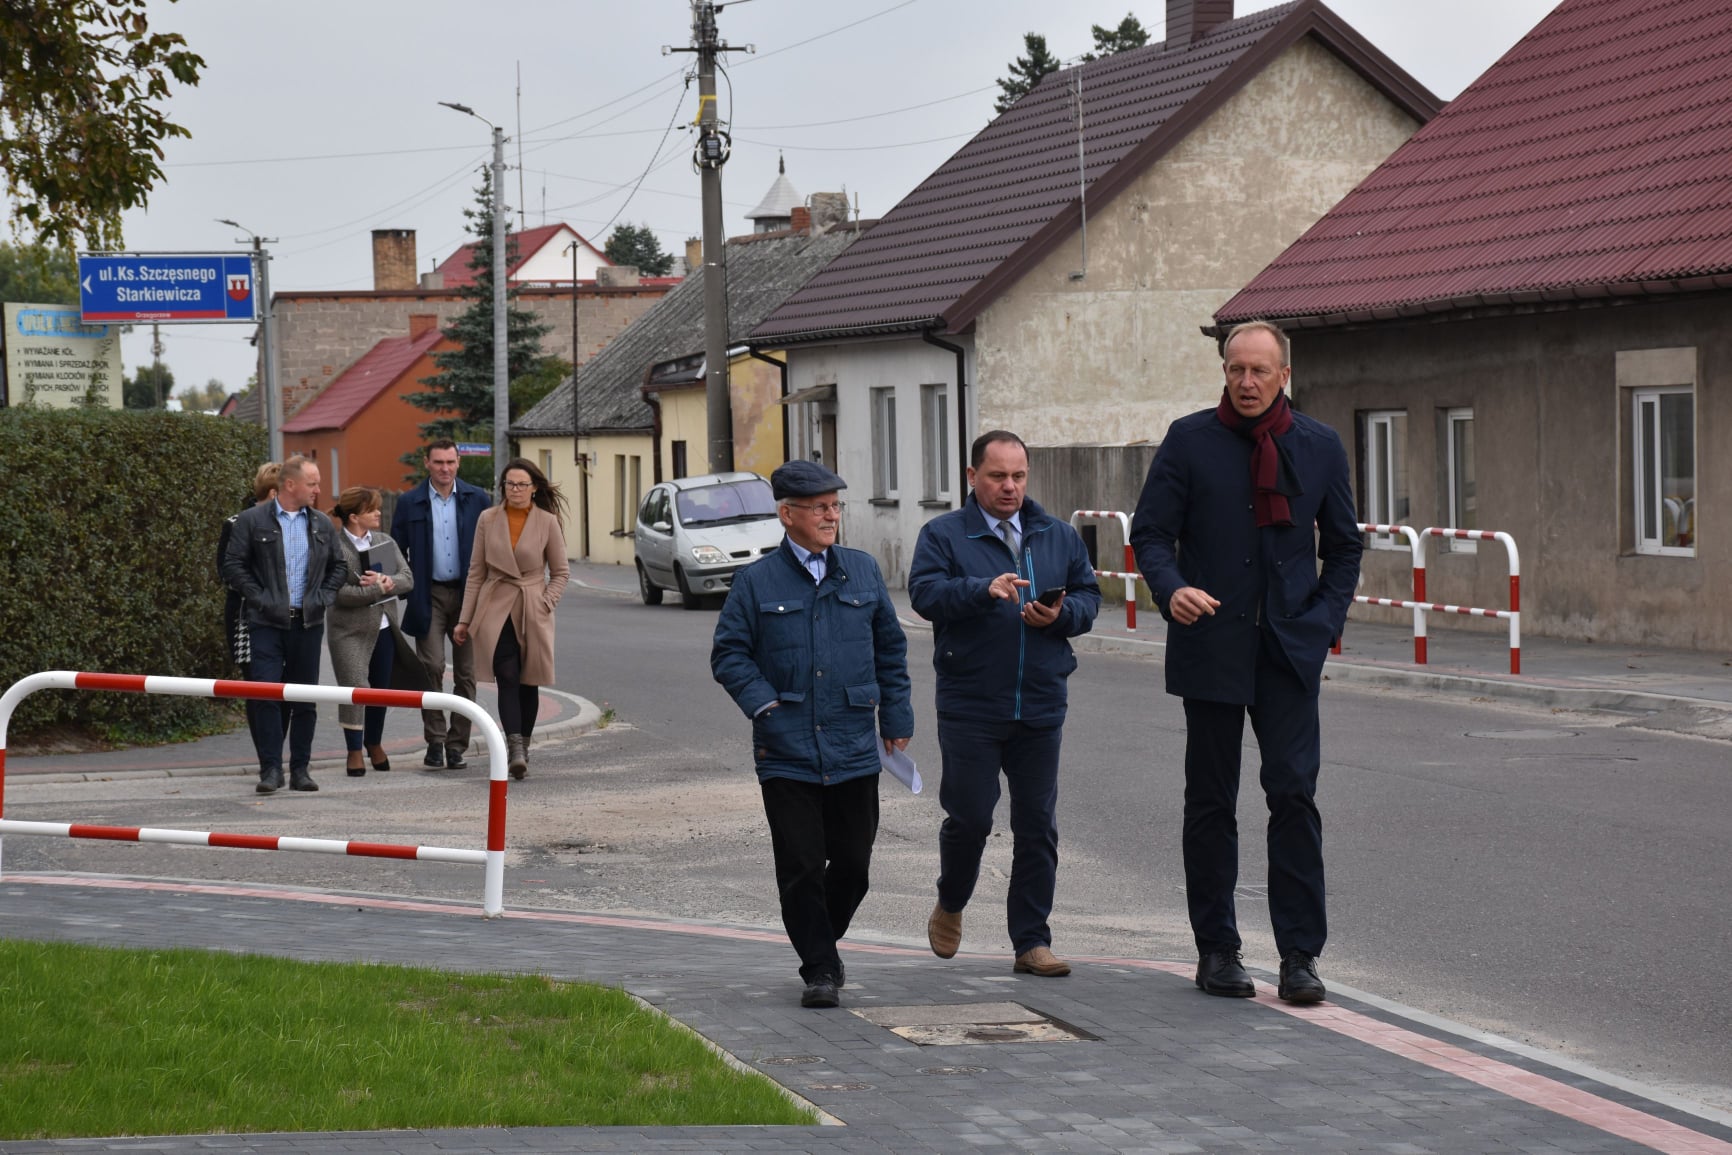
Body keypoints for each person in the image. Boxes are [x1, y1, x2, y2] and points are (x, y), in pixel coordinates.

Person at [1130, 319, 1362, 1005]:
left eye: (1261, 370)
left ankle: (1299, 956)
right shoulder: (1190, 440)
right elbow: (1150, 532)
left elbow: (1345, 546)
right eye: (1237, 370)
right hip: (1211, 644)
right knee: (1210, 801)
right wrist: (1171, 590)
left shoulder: (1318, 446)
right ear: (1224, 371)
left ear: (1284, 374)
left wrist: (1321, 623)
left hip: (1288, 651)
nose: (1248, 382)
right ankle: (1218, 949)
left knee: (1293, 793)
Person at [711, 461, 913, 1010]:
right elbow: (729, 655)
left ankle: (821, 938)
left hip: (852, 744)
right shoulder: (756, 582)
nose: (831, 515)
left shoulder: (863, 572)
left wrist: (896, 718)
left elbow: (891, 651)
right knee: (800, 866)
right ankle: (820, 967)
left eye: (835, 506)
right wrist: (764, 704)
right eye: (820, 507)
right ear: (787, 514)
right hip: (786, 748)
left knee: (853, 863)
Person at [908, 430, 1102, 978]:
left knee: (1037, 824)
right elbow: (923, 594)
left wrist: (1060, 617)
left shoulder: (1057, 534)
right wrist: (979, 589)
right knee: (970, 818)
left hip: (1041, 701)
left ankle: (1032, 941)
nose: (1010, 486)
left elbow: (1088, 597)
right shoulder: (944, 534)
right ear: (972, 478)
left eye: (1018, 476)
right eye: (997, 476)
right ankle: (951, 900)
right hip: (970, 702)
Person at [220, 454, 347, 794]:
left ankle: (301, 769)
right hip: (265, 622)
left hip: (307, 624)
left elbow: (339, 567)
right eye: (313, 483)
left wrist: (322, 598)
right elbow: (233, 565)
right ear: (290, 485)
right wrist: (259, 597)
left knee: (304, 699)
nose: (318, 490)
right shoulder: (252, 520)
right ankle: (270, 769)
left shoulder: (321, 523)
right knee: (265, 696)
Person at [452, 459, 570, 781]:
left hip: (533, 605)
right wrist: (465, 619)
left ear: (534, 489)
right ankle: (514, 748)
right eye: (509, 484)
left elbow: (560, 572)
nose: (515, 490)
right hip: (496, 603)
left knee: (528, 680)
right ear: (502, 486)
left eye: (521, 484)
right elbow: (476, 572)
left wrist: (546, 602)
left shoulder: (547, 522)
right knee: (506, 674)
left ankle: (525, 746)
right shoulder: (488, 519)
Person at [393, 439, 490, 770]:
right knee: (431, 667)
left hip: (468, 597)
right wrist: (404, 589)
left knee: (466, 674)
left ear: (459, 462)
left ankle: (457, 744)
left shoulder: (478, 499)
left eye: (450, 462)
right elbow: (395, 551)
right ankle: (434, 740)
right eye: (438, 462)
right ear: (427, 463)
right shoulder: (410, 502)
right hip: (428, 596)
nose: (445, 468)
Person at [327, 486, 419, 776]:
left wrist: (388, 582)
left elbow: (407, 578)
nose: (379, 513)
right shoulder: (335, 548)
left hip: (383, 626)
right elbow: (337, 593)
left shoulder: (384, 541)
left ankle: (374, 743)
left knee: (381, 690)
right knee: (355, 689)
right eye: (372, 509)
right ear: (354, 516)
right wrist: (374, 590)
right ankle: (354, 750)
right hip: (347, 631)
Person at [217, 461, 280, 677]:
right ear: (274, 494)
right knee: (256, 687)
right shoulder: (236, 524)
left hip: (285, 620)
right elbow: (226, 573)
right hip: (246, 618)